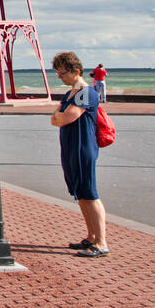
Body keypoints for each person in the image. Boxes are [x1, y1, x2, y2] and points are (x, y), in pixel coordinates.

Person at [50, 51, 108, 258]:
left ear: (76, 71)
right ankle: (91, 236)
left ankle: (101, 242)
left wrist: (60, 116)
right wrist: (59, 116)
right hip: (71, 147)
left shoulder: (85, 92)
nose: (60, 77)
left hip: (83, 147)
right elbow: (55, 118)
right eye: (57, 74)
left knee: (89, 193)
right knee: (80, 193)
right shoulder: (71, 94)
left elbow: (65, 117)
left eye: (63, 73)